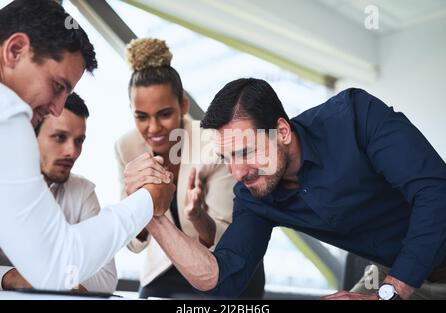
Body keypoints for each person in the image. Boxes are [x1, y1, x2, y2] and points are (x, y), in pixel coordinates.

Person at [130, 78, 446, 300]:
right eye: (227, 158)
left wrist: (388, 293)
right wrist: (155, 216)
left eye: (246, 151)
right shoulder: (253, 194)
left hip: (400, 277)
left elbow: (436, 194)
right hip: (394, 276)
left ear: (281, 131)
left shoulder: (354, 117)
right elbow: (221, 279)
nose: (238, 172)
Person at [0, 0, 174, 290]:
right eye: (57, 86)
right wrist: (149, 199)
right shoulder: (8, 114)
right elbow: (56, 264)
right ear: (15, 50)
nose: (57, 109)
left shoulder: (81, 190)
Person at [115, 38, 265, 298]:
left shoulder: (213, 145)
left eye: (164, 114)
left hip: (219, 262)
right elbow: (134, 243)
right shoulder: (126, 147)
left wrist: (198, 217)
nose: (153, 128)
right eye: (141, 116)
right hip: (164, 267)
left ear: (183, 106)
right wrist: (136, 205)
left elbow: (226, 239)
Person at [0, 93, 118, 293]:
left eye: (79, 141)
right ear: (30, 134)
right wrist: (8, 276)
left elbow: (106, 280)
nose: (72, 151)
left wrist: (44, 278)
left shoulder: (83, 192)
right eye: (59, 137)